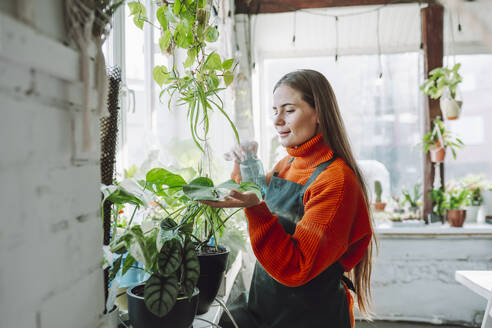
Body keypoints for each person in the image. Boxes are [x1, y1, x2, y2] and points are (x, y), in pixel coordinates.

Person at [201, 69, 375, 328]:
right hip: (268, 308)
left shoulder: (336, 181)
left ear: (318, 114)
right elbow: (257, 193)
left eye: (289, 110)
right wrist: (247, 162)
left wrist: (255, 208)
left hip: (311, 317)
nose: (277, 120)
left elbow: (297, 267)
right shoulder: (290, 163)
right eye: (275, 111)